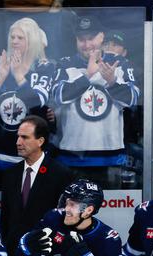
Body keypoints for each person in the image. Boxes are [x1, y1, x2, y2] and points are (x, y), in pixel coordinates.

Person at [0, 115, 74, 256]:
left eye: (24, 137)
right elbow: (6, 220)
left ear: (40, 141)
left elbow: (65, 221)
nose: (18, 142)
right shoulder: (11, 175)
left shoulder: (61, 174)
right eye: (17, 137)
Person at [51, 15, 139, 188]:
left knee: (110, 212)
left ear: (102, 37)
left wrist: (112, 82)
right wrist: (89, 76)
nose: (87, 44)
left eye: (91, 38)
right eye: (81, 39)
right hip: (71, 156)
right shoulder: (64, 64)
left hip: (110, 158)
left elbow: (134, 99)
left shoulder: (120, 63)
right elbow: (58, 95)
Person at [0, 17, 56, 186]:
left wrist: (19, 76)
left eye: (20, 38)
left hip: (29, 157)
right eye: (12, 37)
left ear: (32, 40)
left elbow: (37, 102)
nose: (14, 41)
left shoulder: (45, 67)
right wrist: (1, 77)